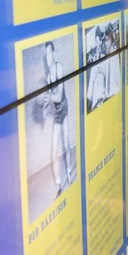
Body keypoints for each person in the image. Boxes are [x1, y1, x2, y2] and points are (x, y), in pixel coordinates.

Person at [44, 41, 74, 198]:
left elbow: (59, 94)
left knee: (67, 144)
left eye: (50, 53)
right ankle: (58, 185)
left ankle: (69, 173)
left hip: (64, 107)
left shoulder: (59, 68)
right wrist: (45, 106)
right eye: (46, 55)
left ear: (54, 54)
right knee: (53, 152)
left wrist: (49, 98)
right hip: (56, 112)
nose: (48, 57)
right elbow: (49, 102)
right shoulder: (49, 76)